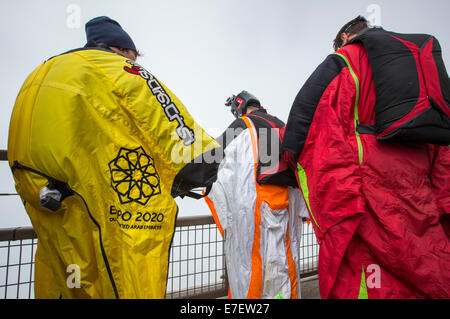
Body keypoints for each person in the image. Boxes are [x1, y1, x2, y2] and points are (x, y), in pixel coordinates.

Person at [8, 16, 220, 298]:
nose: (136, 61)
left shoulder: (43, 70)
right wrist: (200, 164)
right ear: (120, 49)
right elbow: (166, 118)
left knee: (66, 268)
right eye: (134, 55)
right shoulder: (116, 66)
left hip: (40, 185)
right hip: (99, 190)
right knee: (128, 263)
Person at [281, 16, 450, 298]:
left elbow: (307, 132)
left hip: (368, 206)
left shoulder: (344, 61)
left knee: (365, 281)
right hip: (421, 205)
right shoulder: (421, 66)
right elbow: (443, 155)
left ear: (347, 37)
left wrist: (335, 219)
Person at [205, 90, 309, 299]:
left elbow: (211, 158)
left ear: (239, 109)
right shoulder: (280, 124)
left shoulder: (242, 124)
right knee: (286, 267)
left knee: (252, 272)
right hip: (288, 208)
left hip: (255, 210)